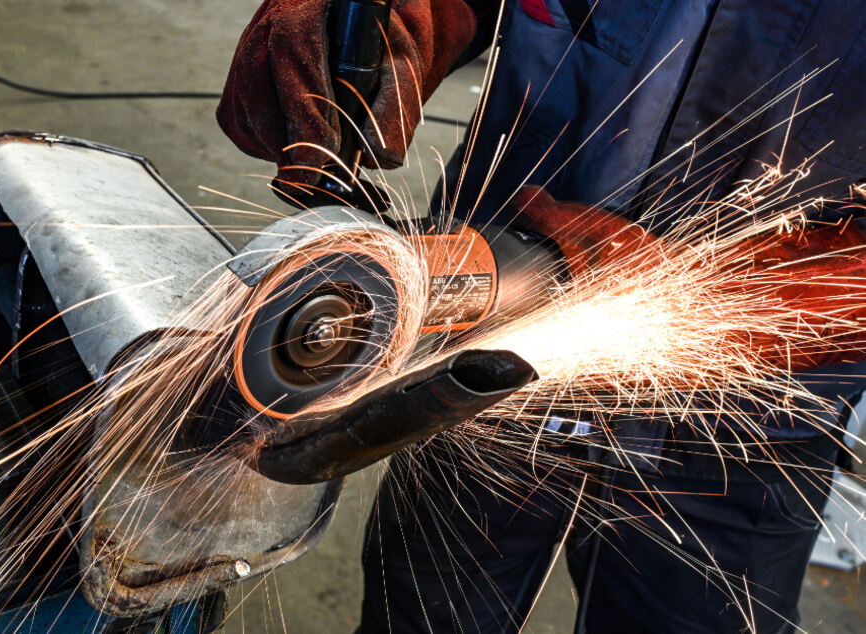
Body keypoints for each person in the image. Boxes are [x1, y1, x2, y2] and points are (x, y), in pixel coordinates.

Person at [218, 1, 866, 632]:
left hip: (740, 424)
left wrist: (723, 296)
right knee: (422, 612)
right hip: (470, 364)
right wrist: (405, 24)